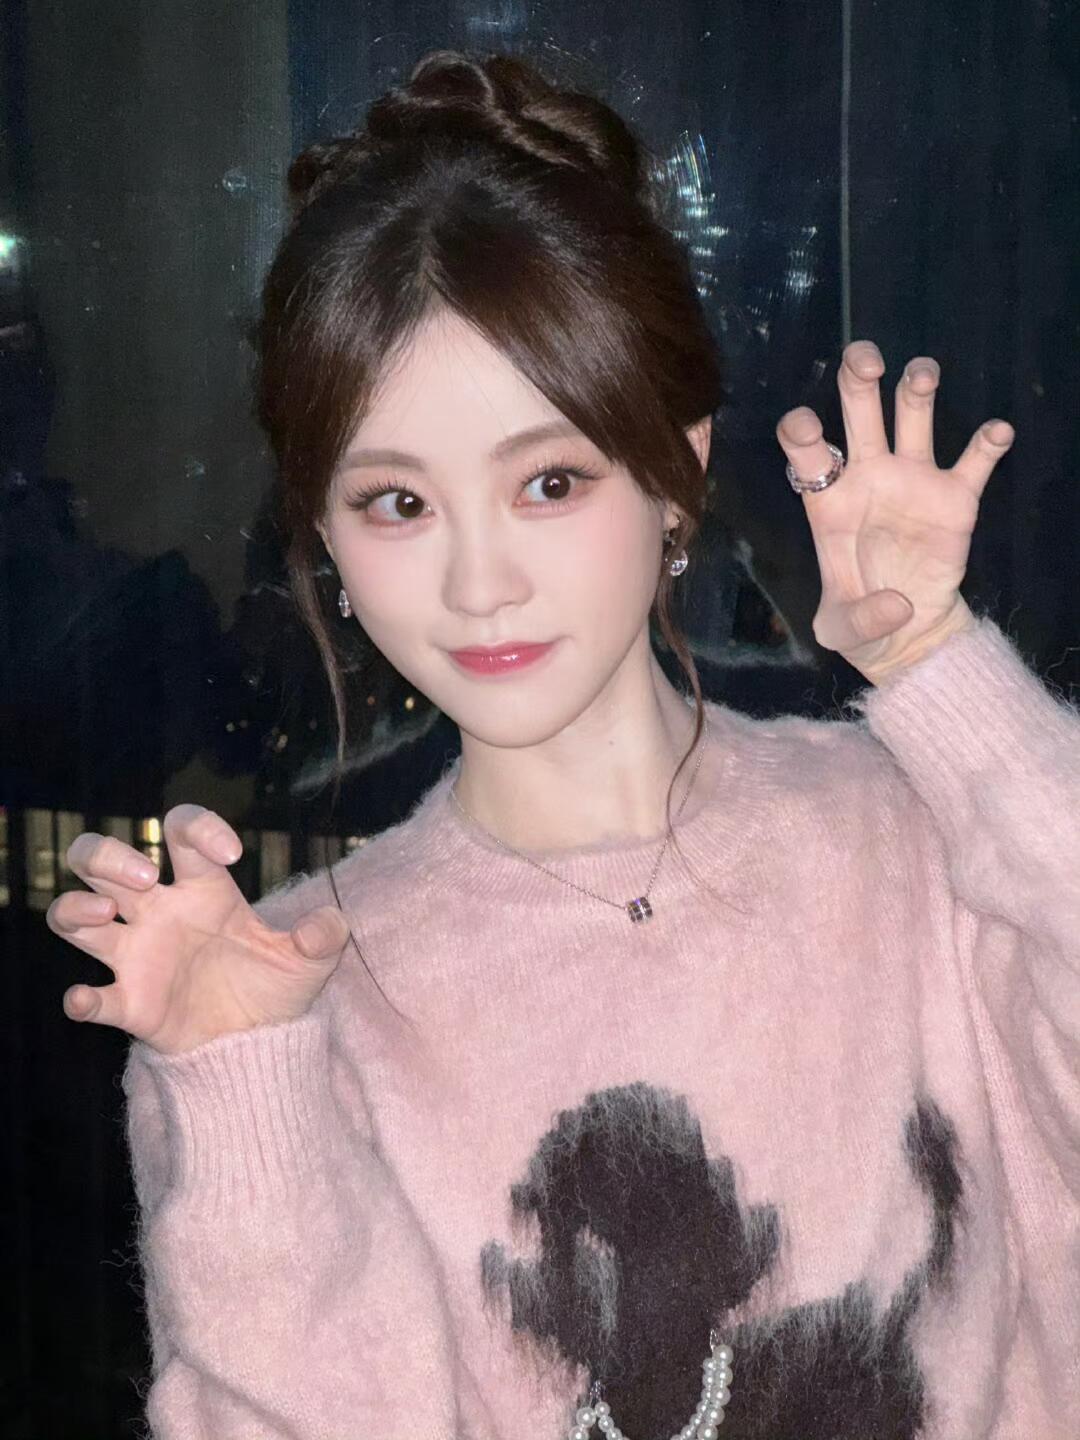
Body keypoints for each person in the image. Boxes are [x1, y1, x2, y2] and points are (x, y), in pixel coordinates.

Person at [48, 47, 1078, 1440]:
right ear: (325, 536)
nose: (479, 585)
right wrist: (243, 1088)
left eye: (548, 481)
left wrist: (941, 671)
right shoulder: (282, 997)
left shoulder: (922, 835)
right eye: (398, 503)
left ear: (675, 473)